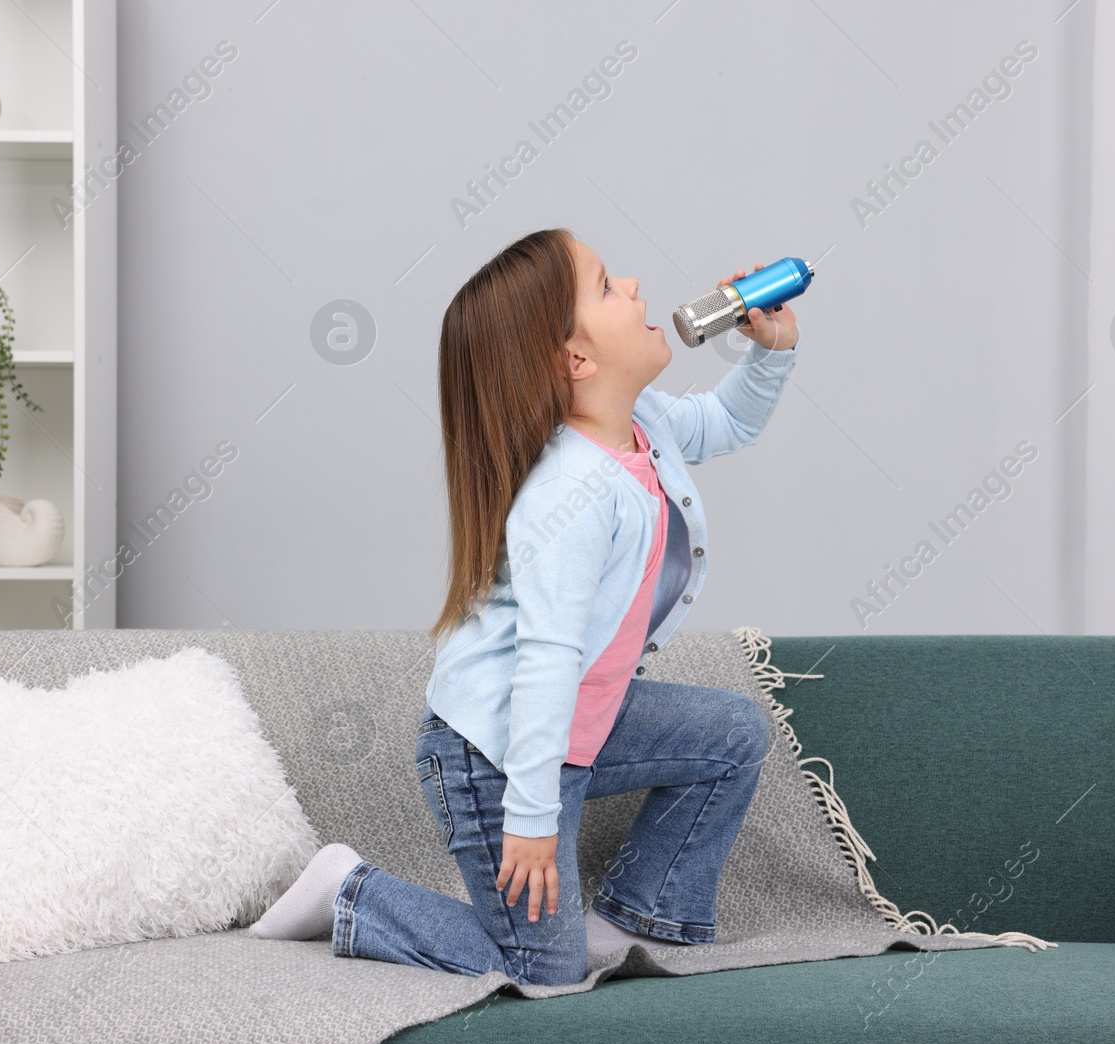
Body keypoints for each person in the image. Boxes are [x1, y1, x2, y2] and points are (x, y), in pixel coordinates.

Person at [250, 227, 802, 986]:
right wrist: (532, 819)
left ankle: (630, 917)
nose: (637, 287)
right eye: (608, 286)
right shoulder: (568, 496)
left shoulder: (648, 430)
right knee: (542, 972)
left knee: (733, 735)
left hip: (580, 724)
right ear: (577, 360)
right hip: (494, 756)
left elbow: (730, 421)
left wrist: (768, 350)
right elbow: (546, 659)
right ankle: (351, 889)